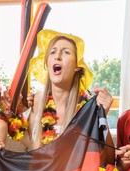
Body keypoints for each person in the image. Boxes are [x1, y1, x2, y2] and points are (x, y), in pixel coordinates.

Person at [26, 29, 115, 162]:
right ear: (47, 63)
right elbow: (29, 148)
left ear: (77, 67)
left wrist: (101, 115)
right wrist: (11, 114)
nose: (58, 56)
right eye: (52, 52)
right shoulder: (37, 101)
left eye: (66, 52)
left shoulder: (88, 106)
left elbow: (108, 160)